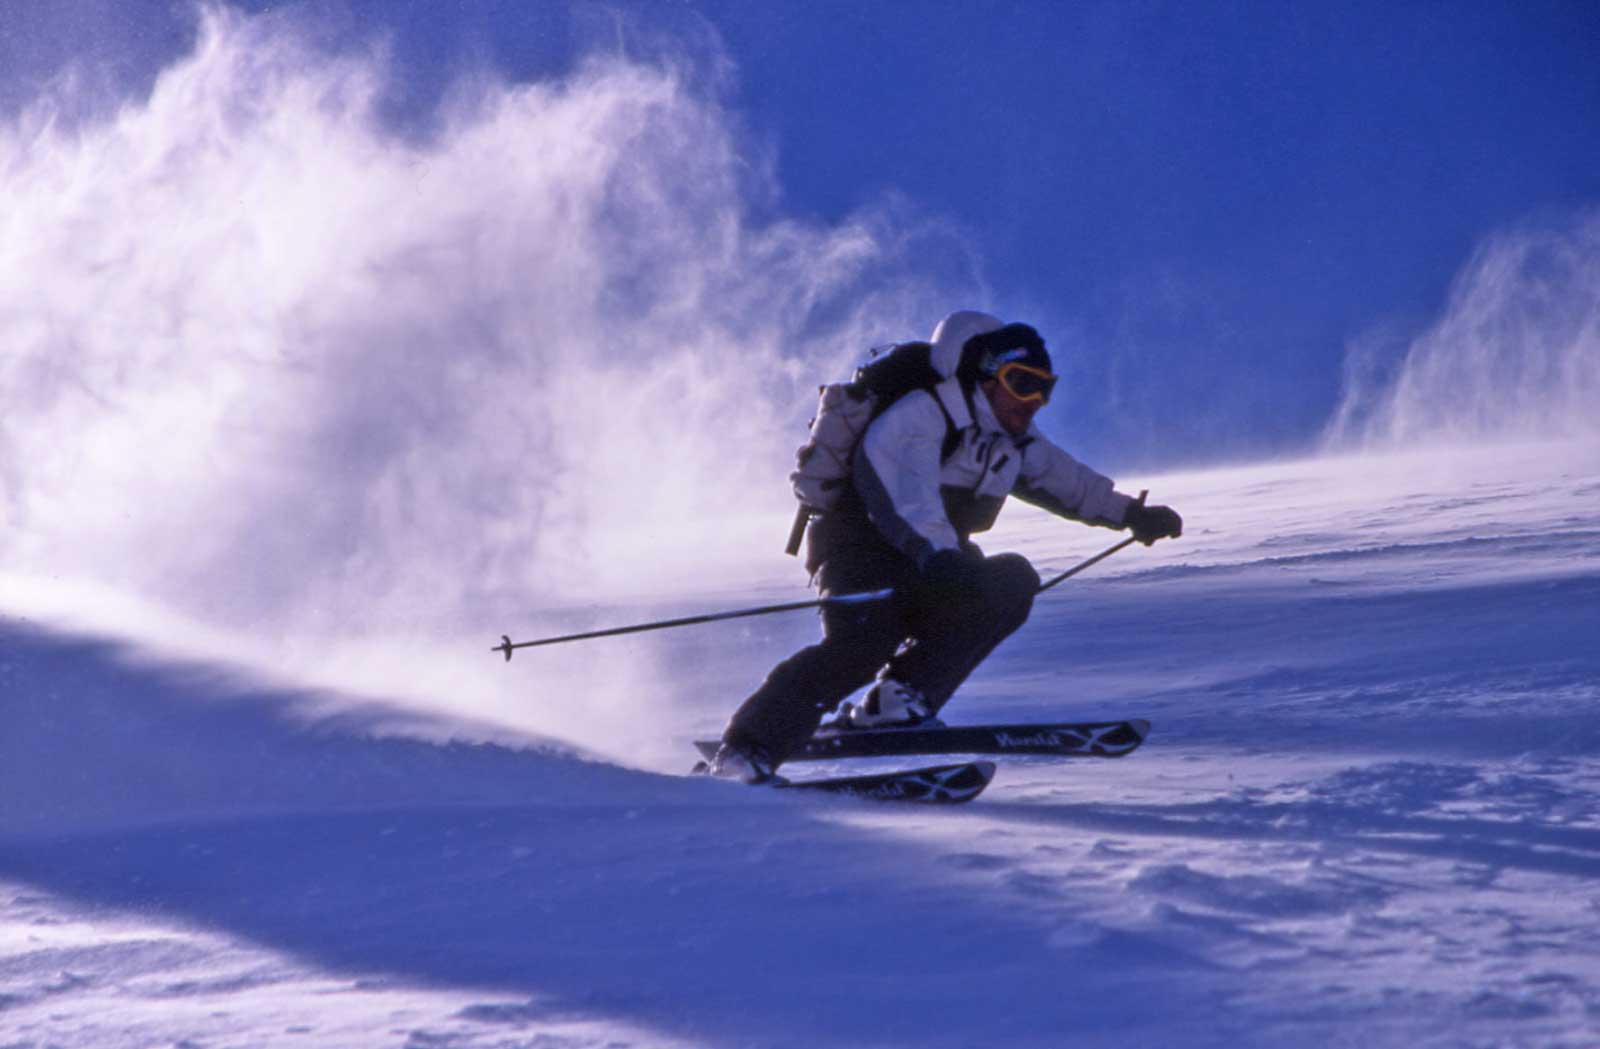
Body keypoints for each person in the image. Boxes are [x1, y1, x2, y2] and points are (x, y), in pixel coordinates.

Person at [706, 311, 1183, 782]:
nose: (1033, 401)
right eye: (1021, 382)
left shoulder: (1009, 440)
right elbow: (907, 496)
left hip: (934, 558)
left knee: (1009, 582)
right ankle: (746, 750)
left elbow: (1067, 480)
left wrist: (1132, 514)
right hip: (859, 547)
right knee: (861, 646)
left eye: (1045, 388)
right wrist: (938, 555)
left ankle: (899, 701)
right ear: (987, 377)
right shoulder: (922, 412)